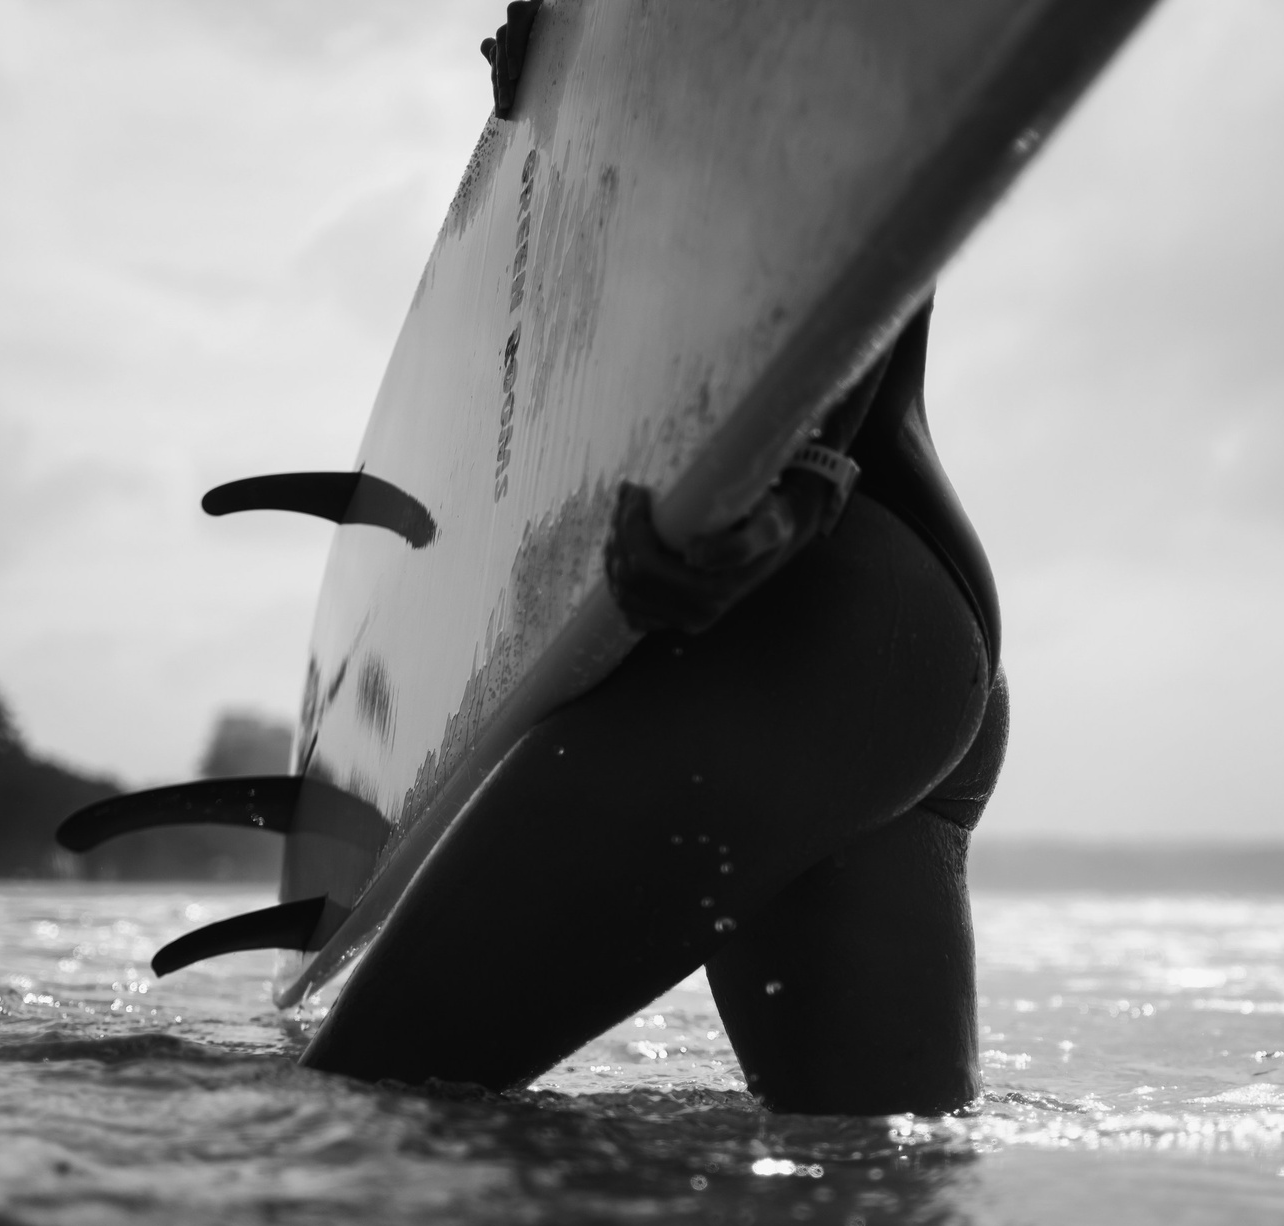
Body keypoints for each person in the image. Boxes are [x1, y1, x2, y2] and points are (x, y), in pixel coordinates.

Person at [302, 301, 1003, 1114]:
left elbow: (842, 236)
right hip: (909, 633)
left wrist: (799, 487)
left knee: (368, 1116)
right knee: (858, 1165)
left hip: (779, 615)